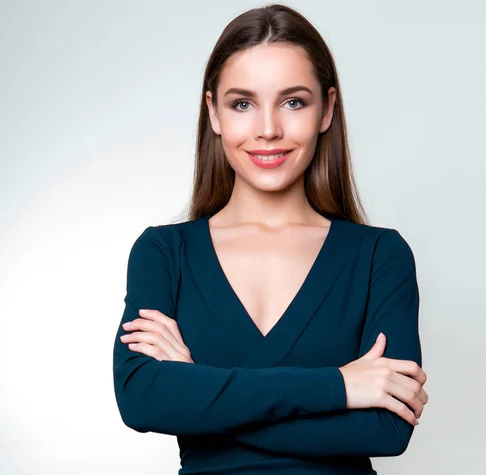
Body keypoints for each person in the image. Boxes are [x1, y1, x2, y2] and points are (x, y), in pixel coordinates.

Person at [112, 4, 428, 474]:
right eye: (242, 104)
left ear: (328, 109)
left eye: (293, 102)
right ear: (213, 113)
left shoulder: (379, 256)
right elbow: (141, 401)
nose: (267, 130)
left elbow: (386, 429)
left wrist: (198, 389)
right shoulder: (164, 253)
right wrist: (339, 387)